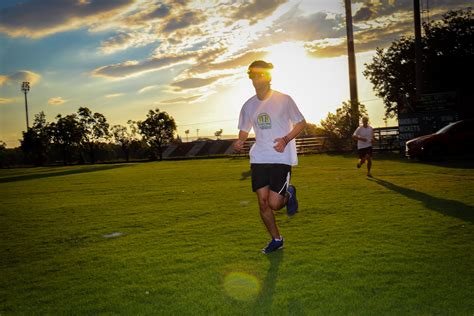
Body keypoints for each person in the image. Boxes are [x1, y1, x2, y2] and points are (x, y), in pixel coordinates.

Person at [234, 60, 306, 254]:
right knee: (263, 203)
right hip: (259, 158)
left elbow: (301, 123)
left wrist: (286, 139)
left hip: (280, 158)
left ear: (268, 76)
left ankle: (289, 193)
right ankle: (276, 239)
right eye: (253, 75)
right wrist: (240, 141)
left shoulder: (284, 99)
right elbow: (244, 129)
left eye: (260, 74)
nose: (257, 79)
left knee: (275, 204)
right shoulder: (248, 105)